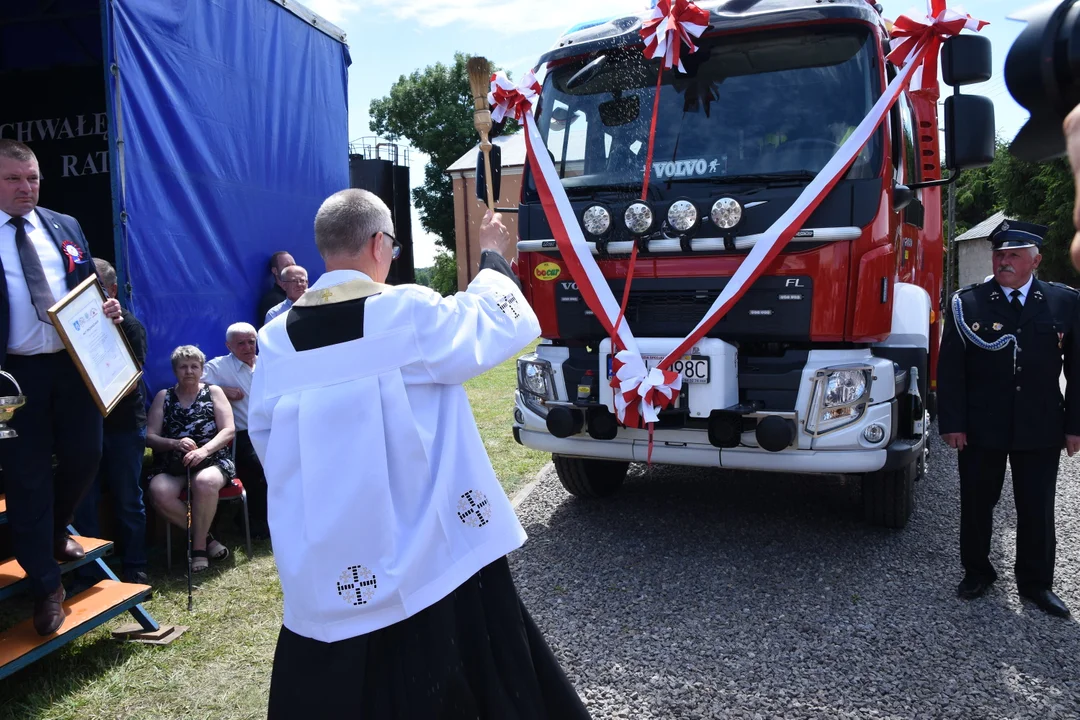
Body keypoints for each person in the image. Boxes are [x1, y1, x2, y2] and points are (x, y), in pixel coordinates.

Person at [249, 190, 590, 718]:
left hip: (330, 549)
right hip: (428, 552)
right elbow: (498, 324)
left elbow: (269, 445)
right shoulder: (404, 312)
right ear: (379, 244)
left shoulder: (274, 346)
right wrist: (493, 254)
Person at [0, 139, 124, 635]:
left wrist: (106, 309)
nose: (25, 188)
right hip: (12, 376)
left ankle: (55, 530)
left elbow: (84, 289)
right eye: (13, 179)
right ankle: (47, 585)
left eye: (32, 179)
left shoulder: (64, 225)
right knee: (25, 477)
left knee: (86, 455)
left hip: (74, 366)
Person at [938, 220, 1080, 618]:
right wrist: (952, 422)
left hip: (1040, 425)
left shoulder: (1064, 303)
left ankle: (1036, 584)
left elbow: (1078, 368)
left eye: (1014, 255)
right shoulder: (969, 304)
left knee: (1037, 507)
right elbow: (951, 369)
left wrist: (1074, 426)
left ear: (1036, 259)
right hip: (983, 425)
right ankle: (977, 571)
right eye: (999, 254)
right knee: (978, 502)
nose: (1004, 262)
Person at [73, 259, 149, 585]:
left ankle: (134, 565)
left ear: (112, 290)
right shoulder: (70, 329)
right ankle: (88, 573)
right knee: (84, 501)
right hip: (85, 428)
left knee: (127, 499)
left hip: (123, 428)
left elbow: (130, 382)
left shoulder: (130, 327)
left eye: (97, 289)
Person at [146, 346, 236, 572]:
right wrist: (174, 443)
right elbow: (150, 436)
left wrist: (203, 451)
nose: (189, 371)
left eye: (194, 366)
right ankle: (207, 538)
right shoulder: (163, 396)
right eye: (183, 367)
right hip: (173, 463)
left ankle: (197, 549)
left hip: (213, 459)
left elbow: (228, 431)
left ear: (202, 369)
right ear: (175, 370)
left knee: (203, 482)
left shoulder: (214, 392)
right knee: (159, 491)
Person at [202, 322, 269, 538]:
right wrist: (220, 390)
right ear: (228, 346)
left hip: (273, 430)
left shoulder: (267, 363)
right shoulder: (219, 366)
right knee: (261, 466)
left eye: (252, 342)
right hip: (244, 435)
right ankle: (257, 524)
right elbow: (191, 383)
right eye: (241, 343)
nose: (248, 347)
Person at [257, 251, 295, 327]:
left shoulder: (298, 296)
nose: (292, 269)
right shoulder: (272, 300)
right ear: (275, 271)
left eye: (293, 265)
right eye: (286, 266)